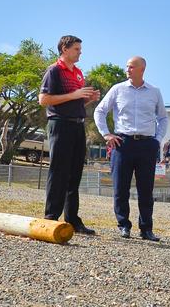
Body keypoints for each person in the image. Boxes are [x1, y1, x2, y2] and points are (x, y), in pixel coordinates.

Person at [94, 56, 168, 241]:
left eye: (131, 67)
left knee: (146, 190)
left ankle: (146, 229)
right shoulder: (117, 89)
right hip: (122, 144)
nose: (127, 69)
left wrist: (157, 140)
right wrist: (106, 134)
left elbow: (163, 118)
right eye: (127, 66)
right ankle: (123, 226)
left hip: (146, 145)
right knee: (120, 188)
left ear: (142, 69)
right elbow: (100, 111)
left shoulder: (154, 92)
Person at [38, 35, 100, 235]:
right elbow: (44, 99)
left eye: (80, 49)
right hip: (60, 124)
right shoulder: (54, 70)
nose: (80, 52)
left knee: (75, 174)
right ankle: (51, 217)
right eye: (76, 49)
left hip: (77, 125)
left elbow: (74, 102)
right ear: (64, 49)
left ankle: (72, 219)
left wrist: (87, 99)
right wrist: (74, 95)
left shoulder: (79, 73)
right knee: (59, 171)